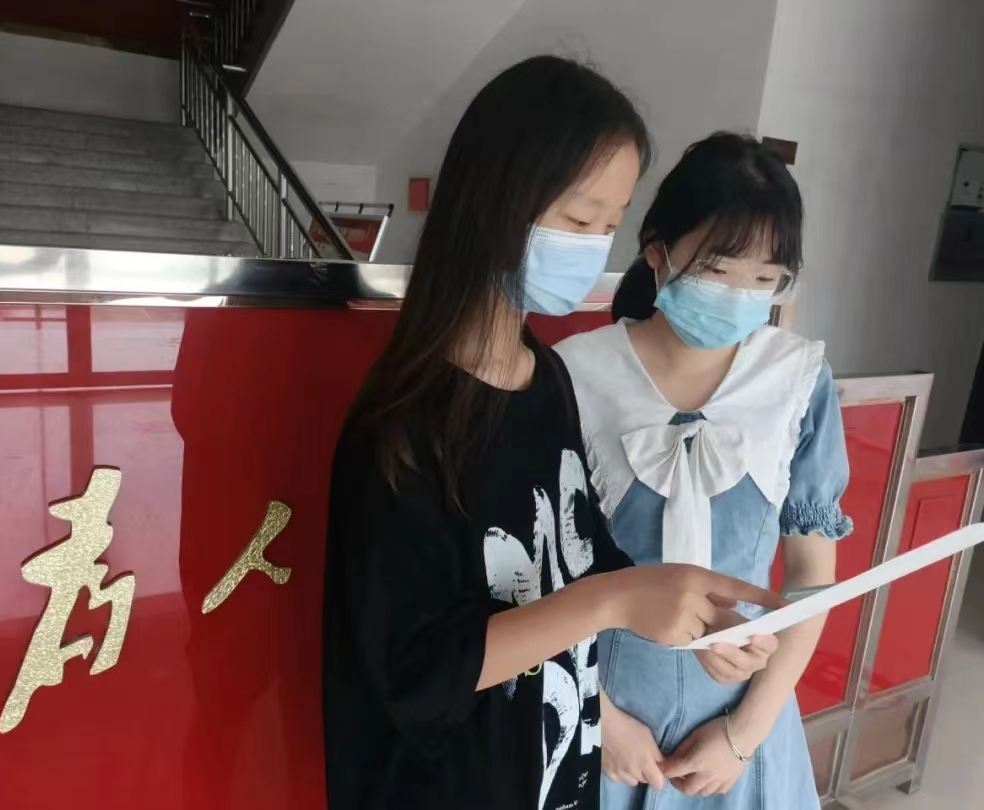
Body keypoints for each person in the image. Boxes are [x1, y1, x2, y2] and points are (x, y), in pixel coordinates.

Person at [322, 60, 785, 810]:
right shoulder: (402, 427)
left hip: (554, 777)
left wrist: (695, 618)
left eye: (610, 224)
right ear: (495, 201)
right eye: (578, 220)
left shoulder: (546, 380)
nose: (595, 246)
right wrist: (614, 601)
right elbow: (417, 673)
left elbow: (580, 554)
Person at [557, 132, 853, 808]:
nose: (741, 295)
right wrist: (600, 715)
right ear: (657, 250)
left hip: (740, 736)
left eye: (766, 280)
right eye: (719, 269)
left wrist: (744, 734)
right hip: (604, 731)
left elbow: (812, 576)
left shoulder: (798, 380)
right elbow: (542, 572)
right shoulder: (575, 374)